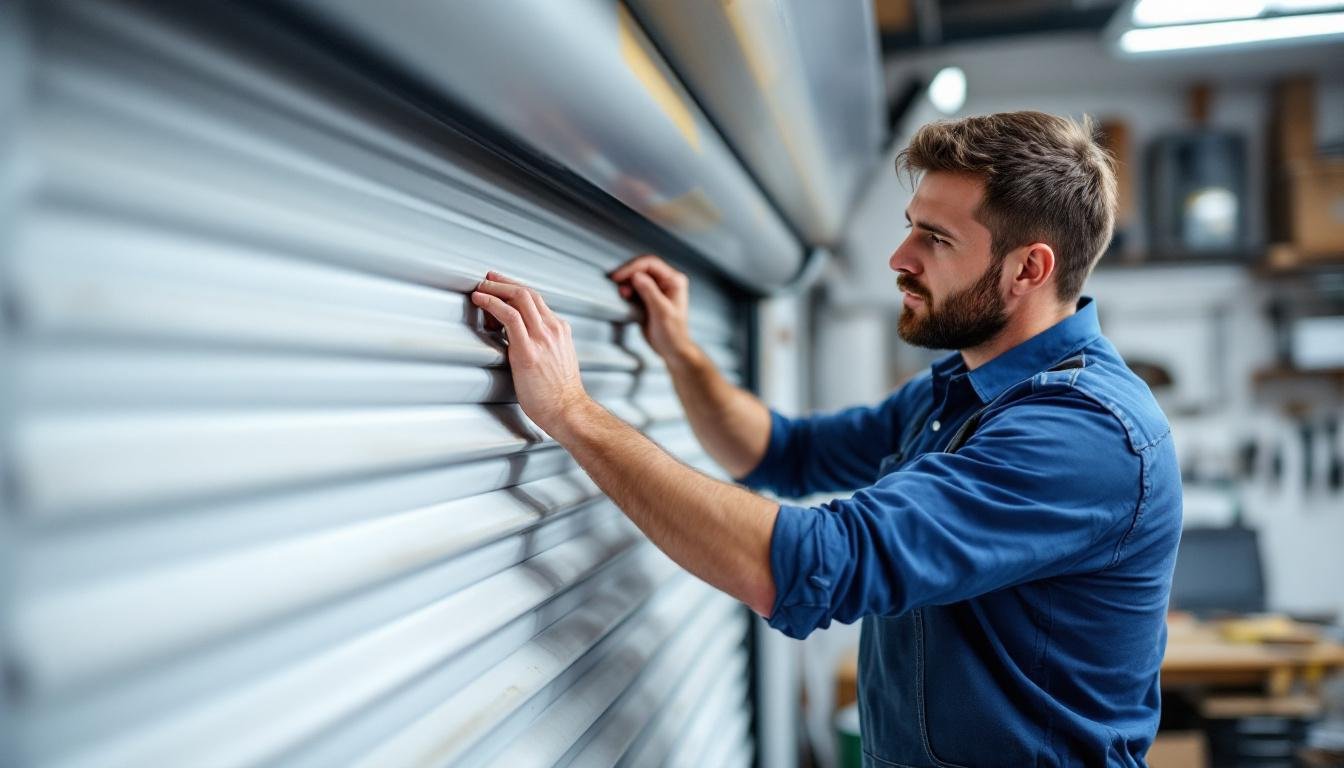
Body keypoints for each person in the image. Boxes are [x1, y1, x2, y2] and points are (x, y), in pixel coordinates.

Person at [470, 111, 1182, 767]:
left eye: (936, 239)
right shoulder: (963, 390)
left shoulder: (1081, 434)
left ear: (1029, 269)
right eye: (911, 226)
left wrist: (571, 412)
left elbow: (812, 564)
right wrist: (681, 352)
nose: (900, 257)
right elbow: (781, 453)